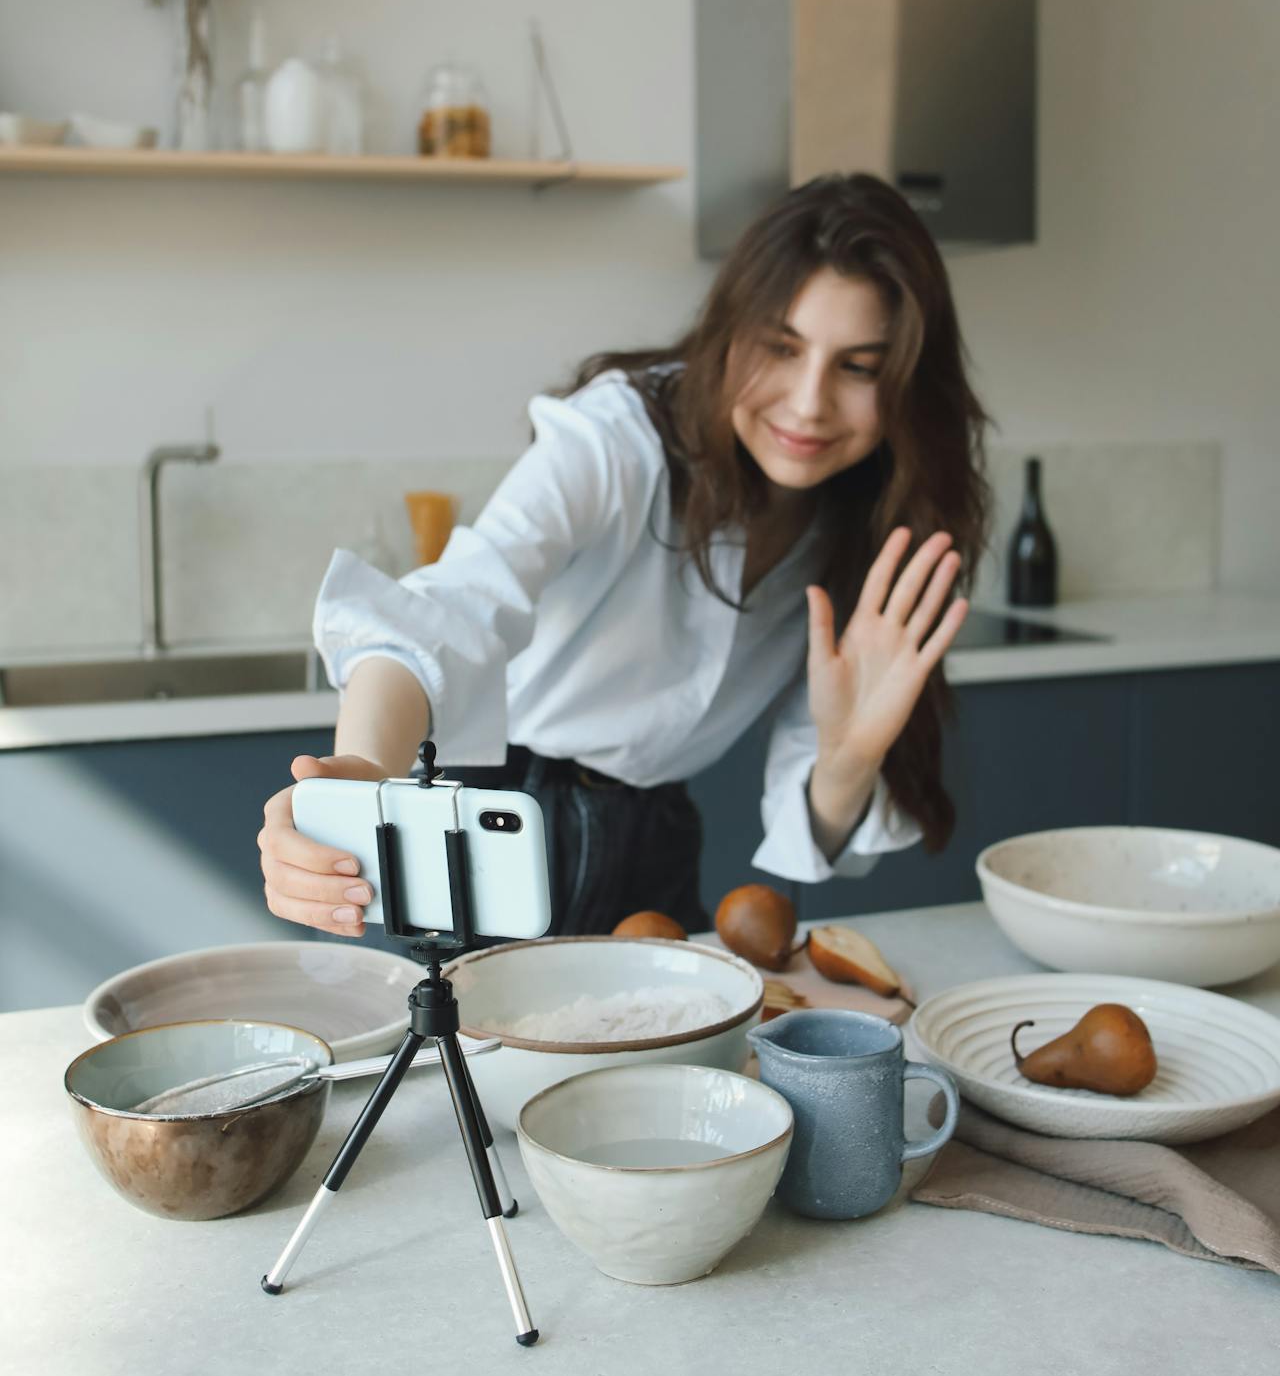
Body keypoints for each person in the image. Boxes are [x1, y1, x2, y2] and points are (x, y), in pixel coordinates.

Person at [257, 172, 990, 940]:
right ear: (730, 330)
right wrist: (362, 780)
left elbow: (814, 815)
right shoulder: (618, 435)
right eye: (781, 346)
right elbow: (456, 602)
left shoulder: (868, 525)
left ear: (905, 382)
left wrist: (848, 758)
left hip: (655, 837)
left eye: (858, 367)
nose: (809, 402)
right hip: (497, 827)